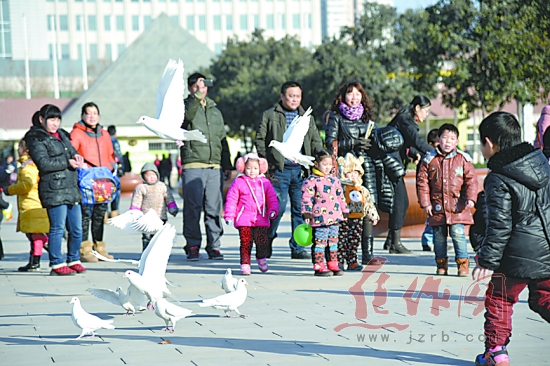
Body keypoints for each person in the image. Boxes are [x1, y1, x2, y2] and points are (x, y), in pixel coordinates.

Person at [472, 112, 550, 366]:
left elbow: (499, 224)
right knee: (545, 297)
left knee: (500, 299)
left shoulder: (498, 176)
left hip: (514, 255)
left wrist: (487, 260)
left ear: (489, 142)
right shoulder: (541, 163)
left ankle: (496, 352)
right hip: (547, 249)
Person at [325, 81, 405, 262]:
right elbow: (330, 144)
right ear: (343, 96)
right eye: (350, 93)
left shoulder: (368, 119)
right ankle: (344, 254)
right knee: (346, 212)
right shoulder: (335, 117)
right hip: (345, 170)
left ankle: (367, 254)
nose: (354, 97)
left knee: (368, 208)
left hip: (367, 168)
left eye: (358, 93)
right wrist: (353, 144)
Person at [255, 80, 323, 260]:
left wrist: (322, 156)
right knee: (276, 208)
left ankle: (298, 247)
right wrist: (266, 163)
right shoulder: (270, 115)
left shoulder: (306, 117)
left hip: (301, 171)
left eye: (298, 96)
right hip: (279, 170)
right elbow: (260, 139)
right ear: (282, 96)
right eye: (291, 96)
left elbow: (315, 140)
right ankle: (267, 240)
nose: (294, 100)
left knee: (301, 209)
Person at [24, 104, 86, 276]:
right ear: (42, 119)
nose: (55, 123)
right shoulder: (36, 138)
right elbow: (43, 163)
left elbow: (72, 151)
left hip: (71, 187)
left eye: (58, 119)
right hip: (54, 188)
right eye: (51, 119)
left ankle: (74, 259)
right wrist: (68, 163)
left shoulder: (63, 135)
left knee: (76, 228)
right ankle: (56, 263)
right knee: (58, 228)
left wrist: (77, 157)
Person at [180, 72, 232, 261]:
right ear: (190, 88)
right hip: (193, 163)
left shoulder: (215, 111)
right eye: (196, 86)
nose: (201, 89)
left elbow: (222, 139)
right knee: (193, 208)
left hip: (214, 166)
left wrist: (226, 163)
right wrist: (196, 97)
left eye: (204, 85)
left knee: (213, 207)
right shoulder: (185, 106)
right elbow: (186, 119)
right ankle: (193, 245)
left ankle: (214, 245)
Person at [416, 124, 477, 276]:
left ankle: (462, 263)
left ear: (457, 142)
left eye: (452, 139)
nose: (448, 142)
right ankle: (441, 263)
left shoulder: (463, 159)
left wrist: (471, 198)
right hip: (437, 207)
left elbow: (471, 181)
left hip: (457, 206)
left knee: (458, 233)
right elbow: (422, 183)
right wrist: (425, 203)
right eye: (444, 138)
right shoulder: (429, 160)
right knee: (439, 236)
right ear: (438, 139)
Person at [386, 95, 435, 254]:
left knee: (399, 202)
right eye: (426, 111)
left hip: (392, 163)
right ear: (417, 108)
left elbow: (406, 143)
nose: (426, 114)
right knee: (401, 202)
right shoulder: (406, 121)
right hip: (390, 164)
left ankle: (390, 240)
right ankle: (395, 243)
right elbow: (416, 141)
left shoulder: (405, 120)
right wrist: (437, 153)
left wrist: (412, 153)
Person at [70, 102, 117, 262]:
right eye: (88, 113)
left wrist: (112, 167)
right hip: (85, 179)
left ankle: (99, 247)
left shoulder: (104, 134)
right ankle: (85, 249)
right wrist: (80, 164)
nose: (92, 116)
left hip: (102, 180)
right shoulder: (77, 132)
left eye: (95, 113)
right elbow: (71, 151)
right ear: (82, 115)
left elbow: (111, 154)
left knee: (99, 214)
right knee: (84, 215)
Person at [224, 153, 279, 275]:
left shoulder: (265, 183)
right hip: (244, 219)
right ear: (243, 167)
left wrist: (272, 210)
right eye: (249, 168)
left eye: (255, 168)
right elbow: (232, 199)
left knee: (262, 242)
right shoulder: (239, 182)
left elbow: (272, 199)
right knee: (245, 242)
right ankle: (245, 264)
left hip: (261, 219)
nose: (252, 171)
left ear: (260, 168)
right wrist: (229, 215)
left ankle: (261, 258)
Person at [301, 149, 349, 277]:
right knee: (320, 242)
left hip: (335, 217)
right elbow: (307, 198)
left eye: (330, 165)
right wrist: (306, 212)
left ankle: (333, 262)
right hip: (319, 218)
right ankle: (319, 264)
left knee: (333, 241)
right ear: (316, 164)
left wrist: (344, 211)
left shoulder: (334, 180)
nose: (328, 167)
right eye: (324, 164)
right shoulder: (311, 181)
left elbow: (340, 196)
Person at [5, 138, 50, 272]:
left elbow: (27, 185)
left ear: (26, 150)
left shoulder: (27, 167)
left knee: (35, 235)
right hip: (33, 203)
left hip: (32, 205)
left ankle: (36, 261)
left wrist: (10, 189)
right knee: (32, 234)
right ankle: (34, 259)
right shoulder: (32, 165)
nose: (18, 150)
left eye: (19, 148)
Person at [337, 153, 379, 271]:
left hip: (357, 218)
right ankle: (339, 261)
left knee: (354, 240)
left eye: (356, 173)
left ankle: (352, 261)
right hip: (342, 219)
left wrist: (373, 215)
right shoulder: (340, 187)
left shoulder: (362, 189)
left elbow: (368, 203)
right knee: (341, 240)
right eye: (350, 173)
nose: (353, 176)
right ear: (344, 173)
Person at [129, 163, 178, 251]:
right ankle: (146, 252)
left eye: (153, 174)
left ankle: (158, 252)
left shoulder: (163, 186)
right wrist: (134, 213)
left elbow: (169, 199)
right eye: (148, 175)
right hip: (146, 218)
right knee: (147, 236)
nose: (151, 177)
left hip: (160, 217)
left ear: (157, 175)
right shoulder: (141, 188)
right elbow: (136, 201)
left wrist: (173, 209)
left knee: (159, 236)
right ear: (143, 177)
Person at [420, 128, 440, 252]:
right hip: (432, 195)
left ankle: (434, 240)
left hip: (439, 194)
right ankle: (427, 240)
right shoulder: (428, 158)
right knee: (432, 219)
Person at [107, 125, 123, 221]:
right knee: (116, 190)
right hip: (113, 168)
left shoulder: (103, 140)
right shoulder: (114, 141)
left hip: (104, 168)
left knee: (104, 190)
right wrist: (121, 166)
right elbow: (118, 154)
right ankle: (114, 213)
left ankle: (104, 215)